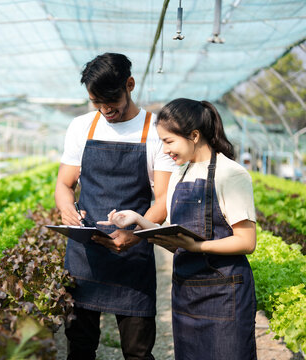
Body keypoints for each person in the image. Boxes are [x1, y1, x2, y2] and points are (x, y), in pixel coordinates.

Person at [99, 98, 258, 360]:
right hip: (186, 293)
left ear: (194, 135)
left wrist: (197, 247)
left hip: (224, 293)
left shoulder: (231, 174)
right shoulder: (179, 174)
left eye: (169, 141)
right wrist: (138, 219)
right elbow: (176, 236)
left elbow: (246, 241)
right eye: (161, 142)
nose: (165, 150)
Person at [55, 53, 176, 359]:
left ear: (130, 85)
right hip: (85, 255)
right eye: (96, 102)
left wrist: (134, 235)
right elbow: (64, 184)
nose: (105, 109)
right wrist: (66, 208)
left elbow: (161, 201)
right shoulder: (82, 126)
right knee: (79, 347)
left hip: (132, 255)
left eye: (111, 100)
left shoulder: (155, 132)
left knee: (137, 351)